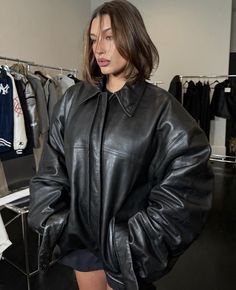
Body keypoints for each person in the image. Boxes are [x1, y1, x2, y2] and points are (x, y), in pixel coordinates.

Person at [28, 1, 213, 290]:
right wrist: (59, 222)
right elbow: (51, 171)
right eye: (93, 39)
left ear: (132, 36)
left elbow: (186, 191)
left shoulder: (161, 110)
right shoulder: (73, 101)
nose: (98, 49)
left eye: (109, 37)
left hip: (127, 253)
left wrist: (132, 244)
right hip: (81, 245)